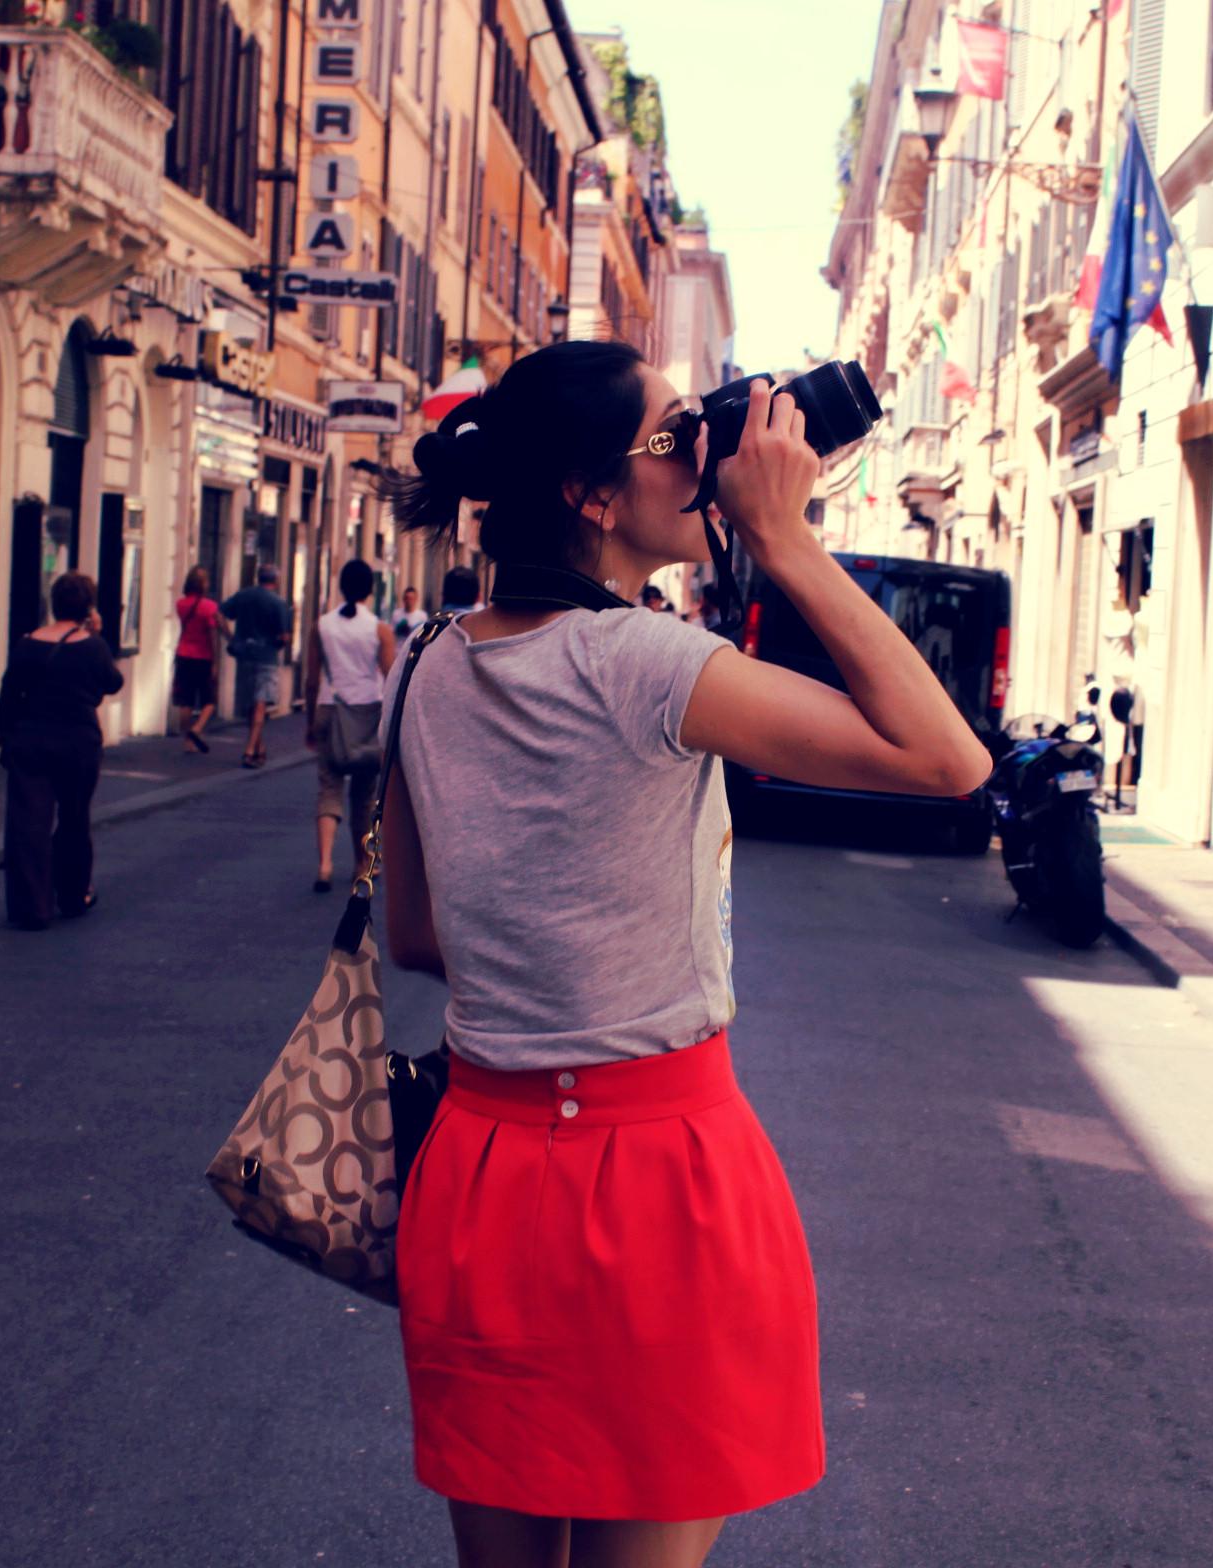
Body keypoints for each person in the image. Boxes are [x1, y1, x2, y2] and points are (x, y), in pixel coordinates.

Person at [379, 340, 989, 1568]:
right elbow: (949, 760)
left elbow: (414, 933)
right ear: (591, 495)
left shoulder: (426, 663)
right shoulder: (649, 664)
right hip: (655, 1176)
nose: (707, 456)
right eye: (676, 438)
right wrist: (788, 540)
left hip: (482, 1175)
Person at [0, 572, 125, 931]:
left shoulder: (27, 643)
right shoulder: (92, 646)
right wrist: (97, 634)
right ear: (87, 608)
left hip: (31, 742)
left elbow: (9, 695)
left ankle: (32, 906)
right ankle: (72, 894)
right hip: (78, 744)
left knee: (28, 824)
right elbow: (113, 683)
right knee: (74, 818)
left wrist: (4, 736)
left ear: (54, 603)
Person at [302, 558, 397, 893]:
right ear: (370, 590)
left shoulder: (322, 625)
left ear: (341, 586)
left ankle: (325, 864)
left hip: (330, 710)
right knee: (364, 795)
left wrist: (310, 722)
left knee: (328, 788)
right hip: (367, 715)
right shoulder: (379, 629)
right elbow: (391, 678)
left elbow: (312, 679)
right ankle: (362, 863)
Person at [219, 564, 293, 768]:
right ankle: (249, 751)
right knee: (260, 704)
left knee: (252, 705)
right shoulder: (279, 604)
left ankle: (260, 749)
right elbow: (285, 636)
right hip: (266, 656)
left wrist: (231, 638)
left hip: (244, 655)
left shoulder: (244, 596)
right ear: (275, 581)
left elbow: (219, 614)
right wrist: (279, 642)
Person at [172, 567, 220, 753]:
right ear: (203, 584)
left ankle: (188, 742)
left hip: (183, 654)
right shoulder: (209, 607)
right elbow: (212, 635)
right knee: (209, 699)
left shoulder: (180, 604)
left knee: (186, 700)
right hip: (203, 656)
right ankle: (197, 728)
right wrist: (215, 661)